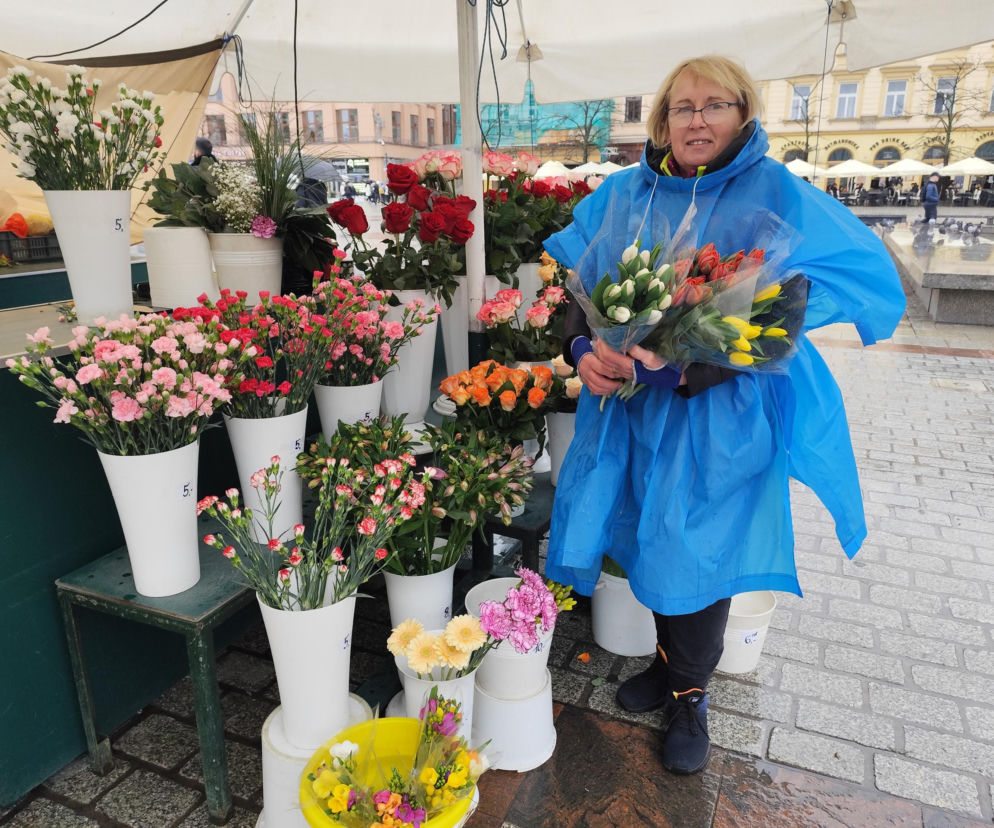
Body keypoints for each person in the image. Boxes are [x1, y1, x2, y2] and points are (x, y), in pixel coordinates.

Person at [543, 55, 904, 776]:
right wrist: (584, 348)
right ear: (662, 120)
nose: (697, 119)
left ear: (743, 113)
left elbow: (784, 315)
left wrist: (686, 363)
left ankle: (691, 696)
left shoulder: (775, 192)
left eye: (714, 105)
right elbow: (570, 299)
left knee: (699, 557)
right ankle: (669, 664)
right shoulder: (623, 195)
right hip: (628, 414)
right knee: (644, 539)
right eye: (682, 107)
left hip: (718, 416)